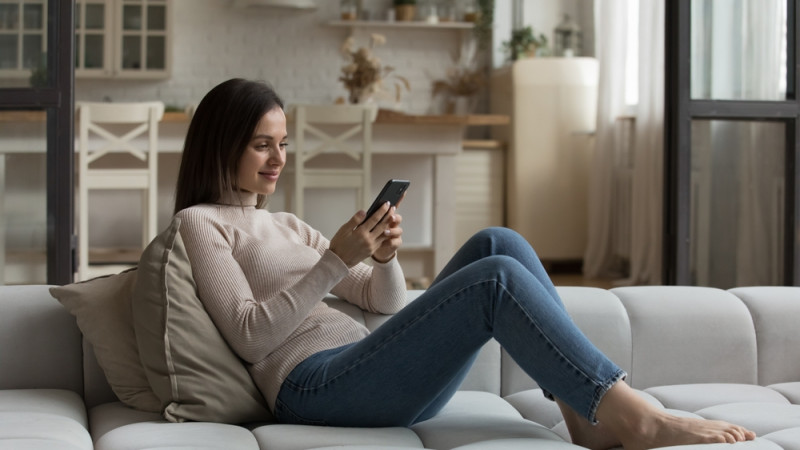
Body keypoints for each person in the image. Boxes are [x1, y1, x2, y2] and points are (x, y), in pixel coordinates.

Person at [173, 78, 756, 450]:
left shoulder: (287, 222)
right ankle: (636, 417)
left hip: (367, 370)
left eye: (282, 143)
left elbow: (385, 302)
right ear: (223, 144)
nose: (279, 158)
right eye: (261, 144)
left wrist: (383, 257)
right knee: (494, 283)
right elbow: (249, 337)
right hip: (315, 388)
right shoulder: (201, 222)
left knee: (497, 243)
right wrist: (330, 262)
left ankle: (582, 414)